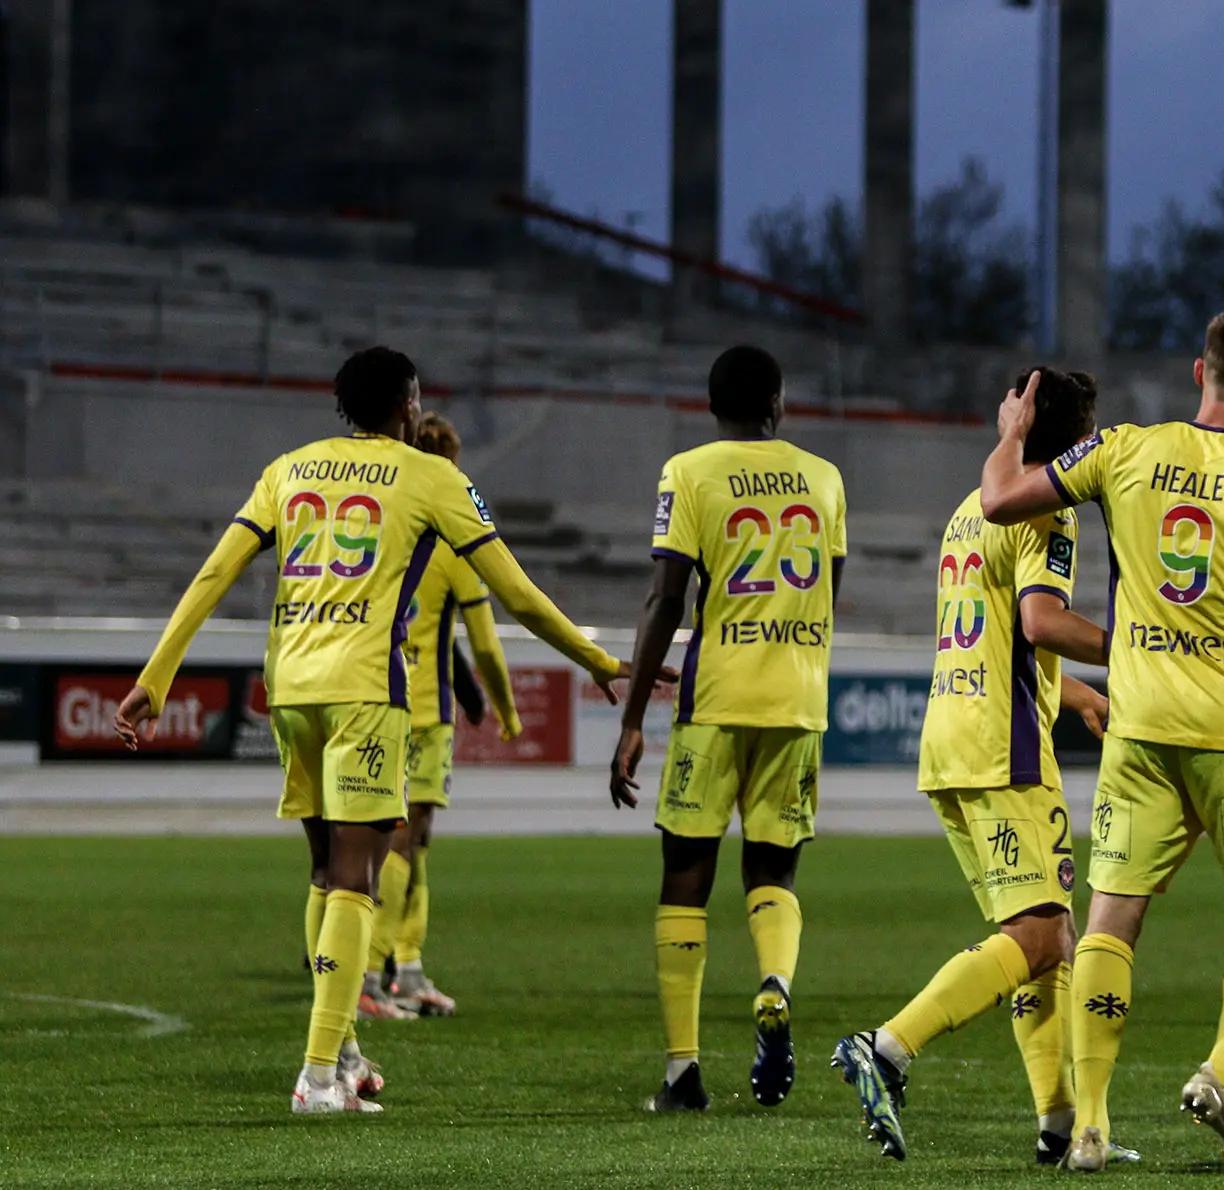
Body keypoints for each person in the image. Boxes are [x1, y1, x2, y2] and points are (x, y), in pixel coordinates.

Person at [111, 346, 650, 1114]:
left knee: (325, 871)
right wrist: (599, 661)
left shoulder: (287, 468)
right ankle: (317, 1076)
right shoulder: (431, 476)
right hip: (365, 691)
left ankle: (347, 1053)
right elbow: (520, 598)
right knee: (357, 878)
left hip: (291, 690)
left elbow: (214, 572)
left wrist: (155, 680)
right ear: (407, 407)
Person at [977, 309, 1224, 1173]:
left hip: (1141, 722)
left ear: (1200, 373)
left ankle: (1087, 1125)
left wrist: (1013, 433)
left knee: (1112, 922)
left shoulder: (1123, 448)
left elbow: (1000, 501)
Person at [831, 366, 1134, 1166]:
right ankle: (887, 1048)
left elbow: (997, 629)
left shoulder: (973, 509)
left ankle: (1059, 1123)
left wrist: (1075, 698)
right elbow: (1040, 620)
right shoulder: (1047, 509)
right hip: (1006, 751)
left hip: (952, 740)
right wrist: (1139, 649)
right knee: (1041, 936)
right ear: (1079, 442)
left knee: (1043, 935)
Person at [610, 345, 847, 1115]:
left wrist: (633, 717)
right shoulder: (825, 477)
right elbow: (829, 592)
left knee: (686, 873)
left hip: (715, 698)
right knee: (773, 873)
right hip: (798, 701)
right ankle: (774, 984)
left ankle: (683, 1073)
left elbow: (665, 600)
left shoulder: (689, 472)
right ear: (777, 403)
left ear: (713, 405)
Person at [357, 411, 525, 1021]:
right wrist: (505, 709)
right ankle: (371, 976)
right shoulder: (453, 540)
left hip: (365, 695)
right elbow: (483, 640)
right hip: (421, 710)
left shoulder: (380, 518)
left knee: (394, 842)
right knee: (405, 839)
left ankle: (406, 968)